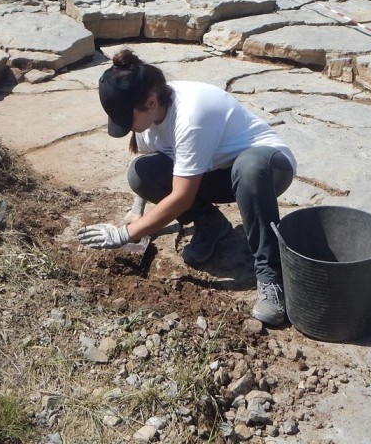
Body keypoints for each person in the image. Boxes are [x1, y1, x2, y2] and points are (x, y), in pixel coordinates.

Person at [78, 49, 297, 326]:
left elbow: (182, 197)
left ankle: (270, 276)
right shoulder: (149, 116)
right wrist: (138, 209)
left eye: (126, 119)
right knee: (140, 174)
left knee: (249, 167)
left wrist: (125, 234)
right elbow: (148, 162)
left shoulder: (191, 116)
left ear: (151, 102)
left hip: (269, 169)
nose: (127, 127)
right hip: (217, 171)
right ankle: (212, 225)